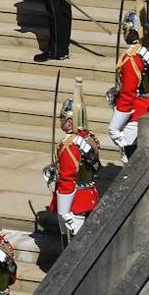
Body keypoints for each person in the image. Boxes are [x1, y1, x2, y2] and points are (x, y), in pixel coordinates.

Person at [48, 89, 100, 237]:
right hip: (90, 194)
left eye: (62, 119)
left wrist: (64, 212)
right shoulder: (90, 138)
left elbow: (67, 180)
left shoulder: (68, 146)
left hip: (74, 203)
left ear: (70, 122)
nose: (60, 121)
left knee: (70, 247)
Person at [106, 9, 149, 162]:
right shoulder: (146, 53)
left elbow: (128, 93)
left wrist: (114, 127)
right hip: (148, 105)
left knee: (131, 158)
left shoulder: (131, 59)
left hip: (134, 113)